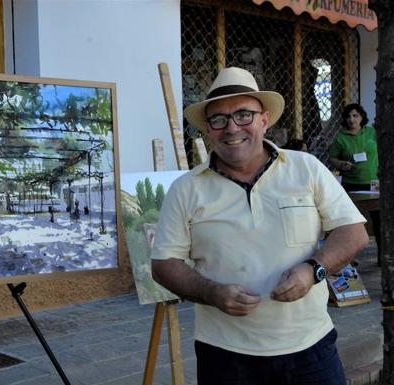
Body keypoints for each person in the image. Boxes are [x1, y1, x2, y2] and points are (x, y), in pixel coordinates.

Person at [151, 67, 368, 385]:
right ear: (208, 130)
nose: (231, 128)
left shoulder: (305, 168)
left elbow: (353, 232)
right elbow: (164, 263)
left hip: (310, 348)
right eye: (219, 119)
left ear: (264, 119)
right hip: (225, 355)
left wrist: (313, 269)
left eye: (243, 114)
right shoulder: (186, 189)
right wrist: (211, 292)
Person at [329, 103, 380, 263]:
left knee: (379, 221)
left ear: (362, 117)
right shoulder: (340, 138)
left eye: (355, 115)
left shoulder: (372, 132)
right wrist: (342, 164)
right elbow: (332, 159)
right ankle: (348, 259)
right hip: (350, 185)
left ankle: (383, 258)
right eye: (348, 116)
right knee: (350, 223)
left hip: (373, 184)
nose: (351, 119)